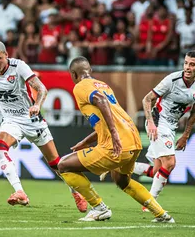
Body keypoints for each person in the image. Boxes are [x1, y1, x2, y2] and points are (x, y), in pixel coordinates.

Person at [0, 40, 87, 212]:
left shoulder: (19, 67)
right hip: (11, 121)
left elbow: (42, 89)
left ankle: (76, 193)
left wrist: (37, 105)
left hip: (32, 120)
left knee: (56, 164)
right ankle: (20, 192)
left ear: (6, 56)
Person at [57, 56, 174, 223]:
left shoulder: (81, 86)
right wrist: (88, 141)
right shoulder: (103, 85)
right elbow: (110, 117)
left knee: (64, 165)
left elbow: (101, 101)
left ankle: (99, 208)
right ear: (90, 71)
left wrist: (113, 133)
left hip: (117, 143)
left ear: (74, 74)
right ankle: (162, 214)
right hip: (133, 140)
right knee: (122, 180)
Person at [131, 51, 195, 211]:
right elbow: (147, 99)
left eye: (192, 64)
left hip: (171, 127)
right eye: (186, 63)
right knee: (170, 163)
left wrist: (186, 135)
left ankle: (118, 166)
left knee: (157, 171)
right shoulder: (172, 80)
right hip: (158, 122)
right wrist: (151, 124)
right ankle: (151, 204)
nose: (188, 67)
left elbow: (194, 112)